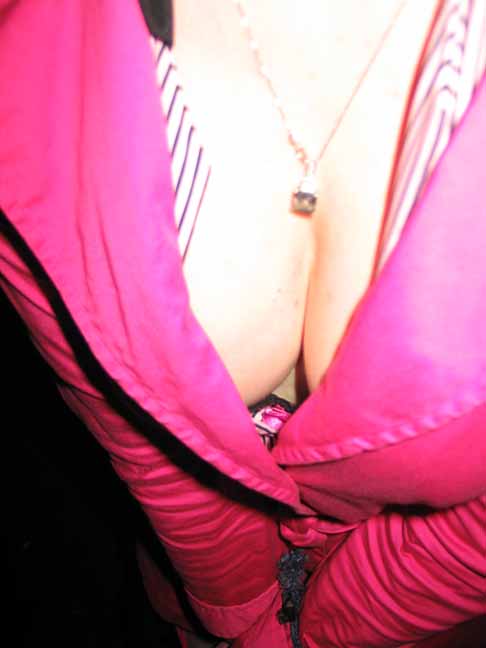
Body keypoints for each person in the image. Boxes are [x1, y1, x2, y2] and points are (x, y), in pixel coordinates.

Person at [1, 1, 485, 646]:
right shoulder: (28, 41)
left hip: (400, 605)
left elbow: (470, 535)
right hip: (195, 573)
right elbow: (133, 435)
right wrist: (232, 609)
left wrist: (327, 637)